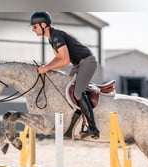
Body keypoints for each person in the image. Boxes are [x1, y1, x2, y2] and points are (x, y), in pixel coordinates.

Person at [30, 11, 100, 139]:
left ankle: (93, 128)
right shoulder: (52, 37)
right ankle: (72, 126)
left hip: (88, 62)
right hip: (79, 64)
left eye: (34, 26)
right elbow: (58, 57)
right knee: (66, 89)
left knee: (78, 93)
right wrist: (45, 67)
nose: (33, 30)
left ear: (43, 25)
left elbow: (65, 60)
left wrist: (47, 68)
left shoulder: (56, 36)